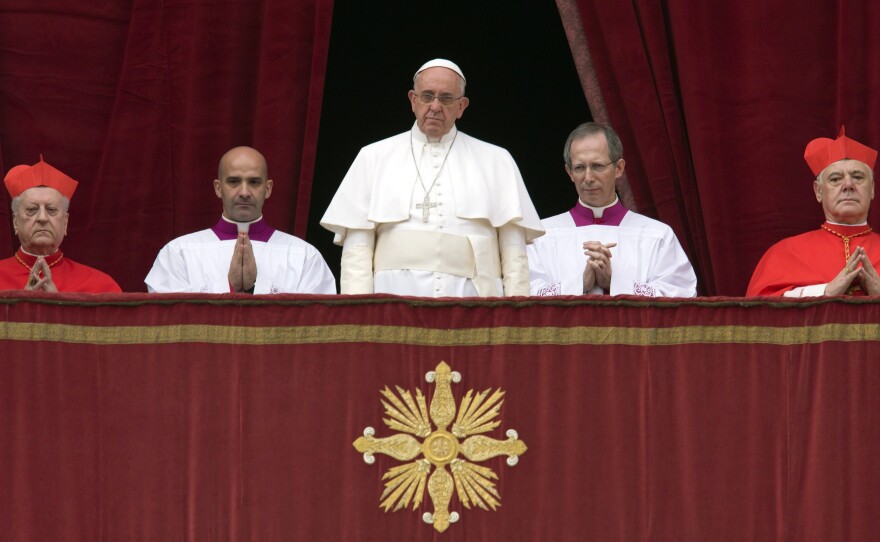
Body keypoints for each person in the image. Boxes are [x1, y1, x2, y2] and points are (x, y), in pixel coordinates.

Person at [320, 58, 543, 297]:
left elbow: (513, 251)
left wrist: (515, 316)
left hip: (477, 309)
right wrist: (360, 317)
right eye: (427, 96)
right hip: (392, 310)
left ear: (461, 106)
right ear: (413, 100)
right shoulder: (373, 156)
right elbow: (357, 251)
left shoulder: (497, 160)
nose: (435, 106)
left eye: (446, 98)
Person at [527, 122, 697, 297]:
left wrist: (616, 283)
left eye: (597, 166)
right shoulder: (540, 234)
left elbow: (681, 298)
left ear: (619, 168)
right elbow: (521, 296)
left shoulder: (657, 235)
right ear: (569, 172)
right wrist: (579, 283)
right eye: (579, 168)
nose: (588, 177)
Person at [145, 146, 336, 294]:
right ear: (218, 188)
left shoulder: (304, 256)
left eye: (254, 182)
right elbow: (168, 323)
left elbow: (316, 326)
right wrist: (229, 285)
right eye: (234, 181)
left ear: (268, 189)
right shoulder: (179, 253)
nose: (244, 192)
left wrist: (256, 287)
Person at [747, 127, 880, 296]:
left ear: (873, 188)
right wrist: (825, 291)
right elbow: (758, 310)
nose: (848, 185)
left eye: (858, 177)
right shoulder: (785, 252)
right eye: (836, 179)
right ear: (819, 191)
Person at [1, 156, 121, 292]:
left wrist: (60, 305)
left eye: (51, 210)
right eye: (32, 210)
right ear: (15, 222)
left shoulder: (101, 286)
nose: (42, 218)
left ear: (65, 223)